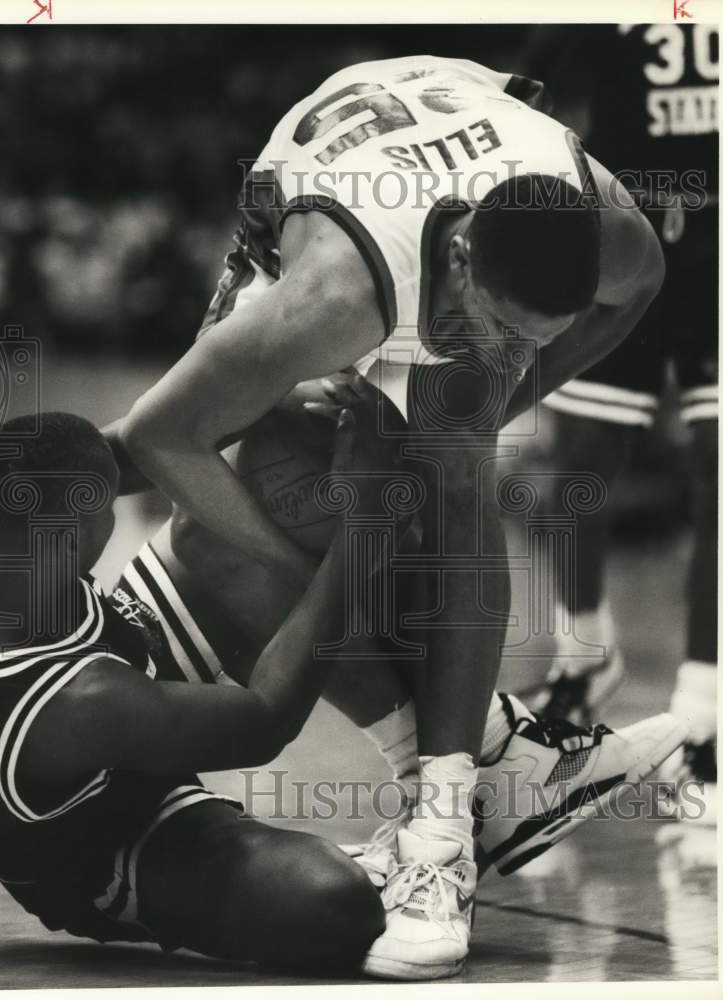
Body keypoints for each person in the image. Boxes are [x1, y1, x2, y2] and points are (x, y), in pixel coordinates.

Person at [105, 55, 678, 978]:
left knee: (456, 447)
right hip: (334, 167)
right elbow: (162, 438)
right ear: (456, 261)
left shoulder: (609, 234)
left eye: (527, 338)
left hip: (465, 111)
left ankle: (443, 829)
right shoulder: (331, 292)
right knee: (217, 520)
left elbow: (640, 283)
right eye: (494, 323)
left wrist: (500, 394)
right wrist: (323, 578)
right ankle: (496, 764)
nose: (501, 351)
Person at [0, 408, 392, 973]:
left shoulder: (10, 534)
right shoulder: (79, 702)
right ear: (76, 535)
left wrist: (269, 390)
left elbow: (121, 453)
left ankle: (455, 753)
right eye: (108, 509)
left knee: (276, 473)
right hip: (105, 844)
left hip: (116, 675)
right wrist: (364, 525)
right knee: (332, 903)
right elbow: (264, 719)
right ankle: (451, 767)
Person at [524, 25, 717, 821]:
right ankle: (581, 660)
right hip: (624, 225)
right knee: (579, 468)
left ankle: (703, 710)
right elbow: (527, 85)